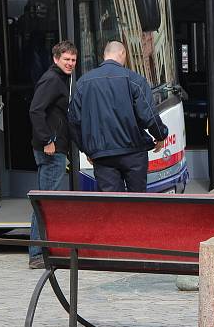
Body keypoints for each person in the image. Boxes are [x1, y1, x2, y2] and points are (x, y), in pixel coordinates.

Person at [68, 41, 168, 192]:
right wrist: (160, 135)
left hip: (102, 155)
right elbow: (148, 115)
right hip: (133, 152)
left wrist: (87, 149)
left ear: (104, 56)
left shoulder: (83, 82)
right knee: (137, 201)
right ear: (122, 54)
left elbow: (74, 121)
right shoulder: (135, 80)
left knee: (112, 205)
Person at [28, 40, 78, 268]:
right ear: (55, 59)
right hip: (51, 149)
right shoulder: (52, 79)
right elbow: (36, 110)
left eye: (73, 60)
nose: (70, 63)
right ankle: (37, 254)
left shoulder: (61, 79)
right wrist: (47, 140)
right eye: (66, 59)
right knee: (45, 201)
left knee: (48, 200)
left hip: (57, 148)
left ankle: (44, 250)